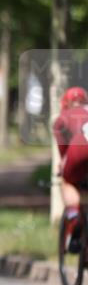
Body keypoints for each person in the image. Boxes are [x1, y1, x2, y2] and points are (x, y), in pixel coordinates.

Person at [53, 86, 88, 253]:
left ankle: (74, 219)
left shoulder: (63, 117)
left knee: (67, 180)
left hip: (81, 148)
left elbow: (63, 152)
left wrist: (61, 167)